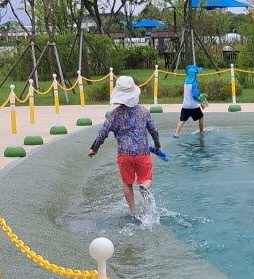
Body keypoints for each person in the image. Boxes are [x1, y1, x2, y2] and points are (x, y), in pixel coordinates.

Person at [88, 75, 162, 216]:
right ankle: (144, 188)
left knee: (127, 183)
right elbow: (154, 130)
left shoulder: (114, 115)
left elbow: (103, 132)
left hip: (124, 155)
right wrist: (157, 146)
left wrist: (94, 149)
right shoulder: (143, 112)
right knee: (146, 179)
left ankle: (133, 211)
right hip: (142, 153)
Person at [174, 64, 209, 137]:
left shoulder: (185, 81)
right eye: (196, 73)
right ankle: (201, 131)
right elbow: (195, 96)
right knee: (201, 117)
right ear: (194, 75)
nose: (197, 75)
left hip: (185, 106)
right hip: (193, 106)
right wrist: (201, 100)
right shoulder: (194, 83)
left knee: (182, 120)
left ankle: (176, 134)